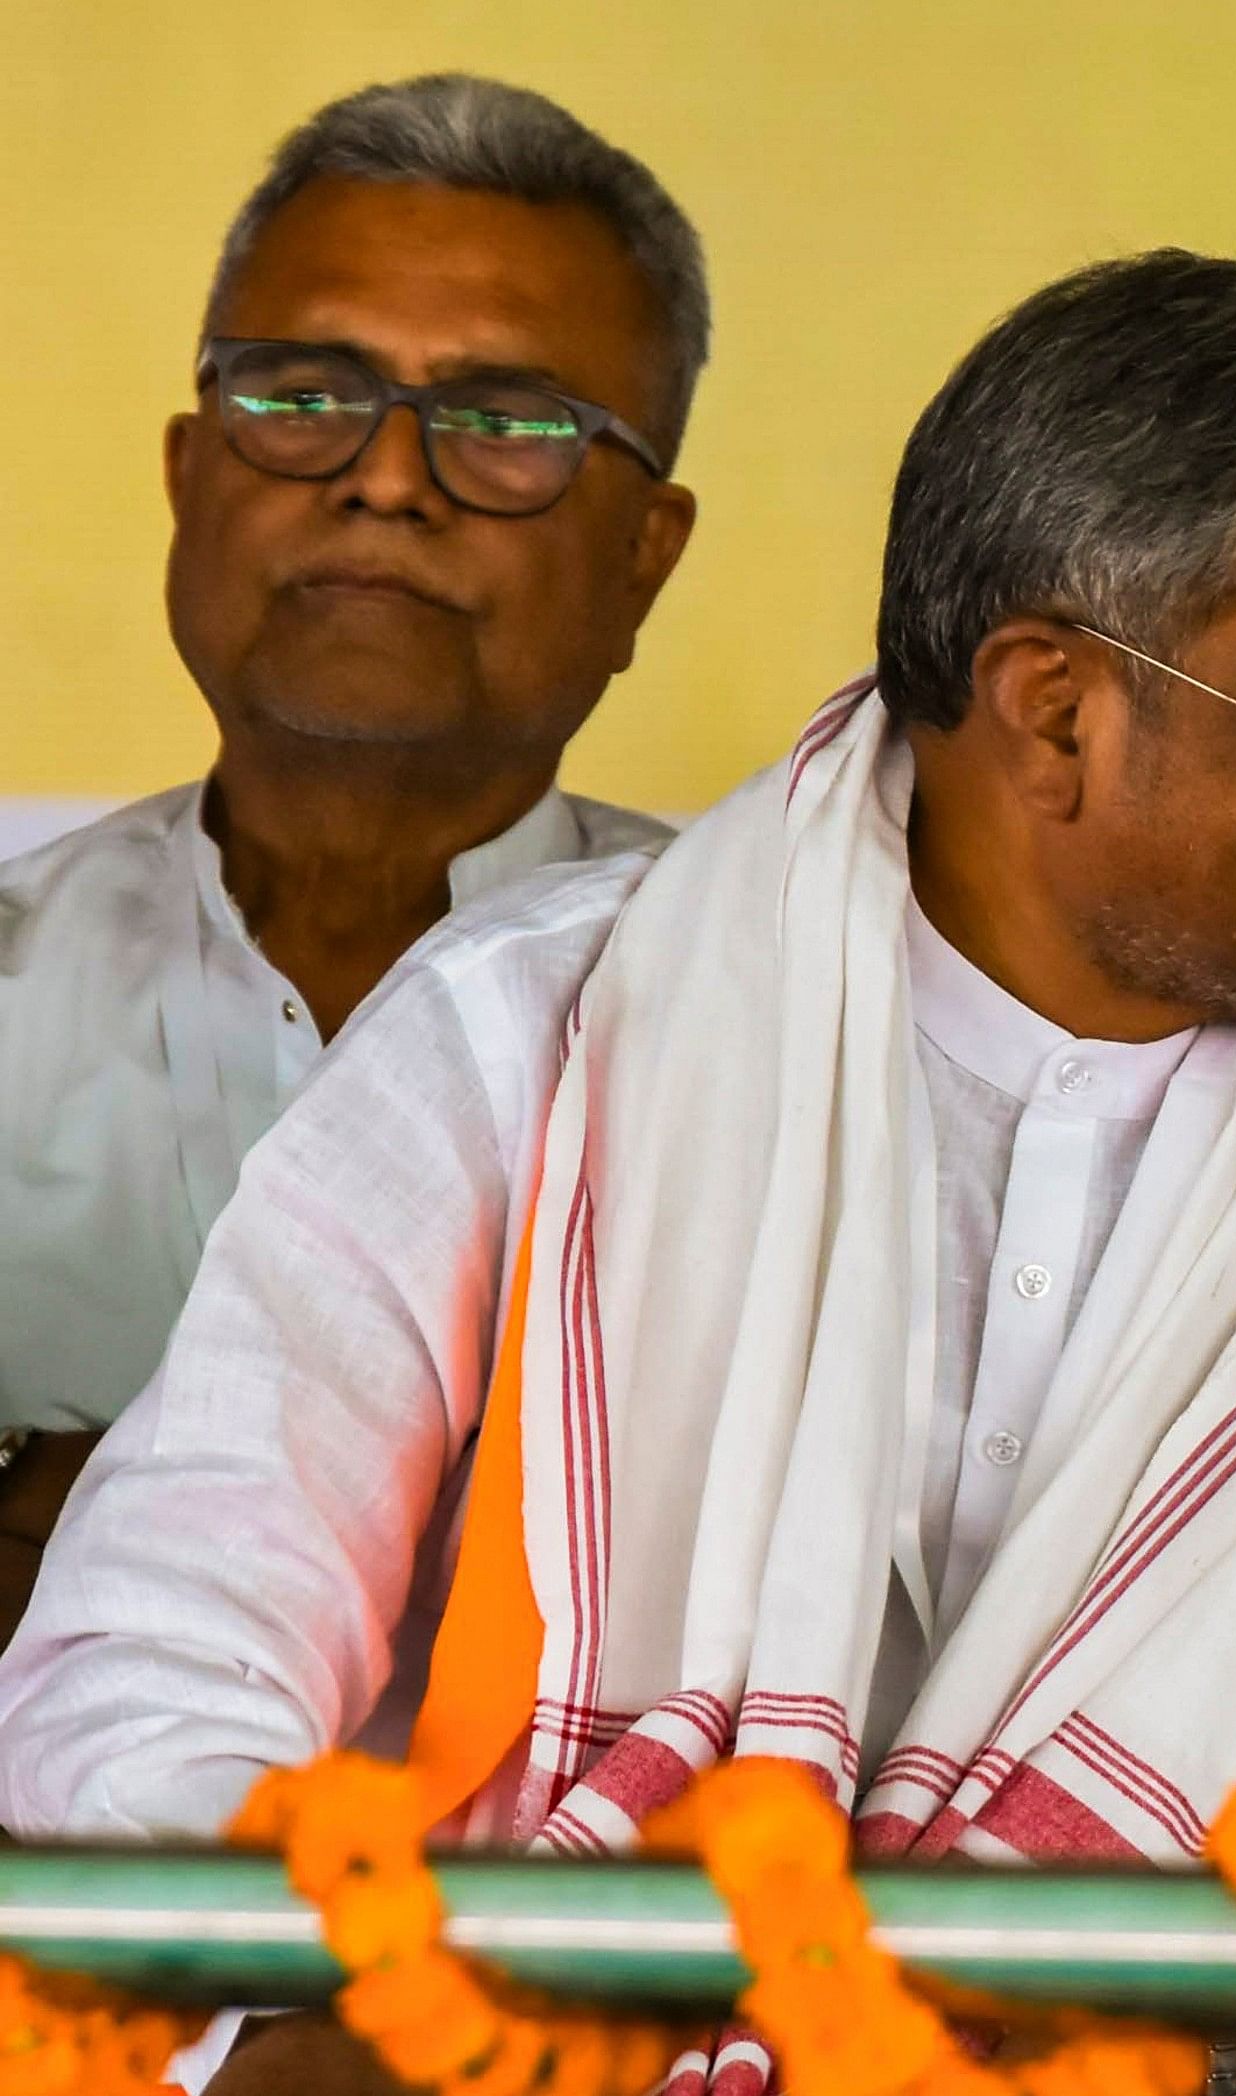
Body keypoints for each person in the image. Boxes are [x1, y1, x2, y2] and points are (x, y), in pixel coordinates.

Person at [0, 252, 1236, 2096]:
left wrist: (1187, 2041)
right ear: (1052, 707)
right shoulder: (533, 1039)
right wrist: (314, 1999)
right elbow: (160, 1630)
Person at [0, 76, 708, 1623]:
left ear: (645, 559)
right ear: (189, 478)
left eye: (508, 423)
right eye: (304, 395)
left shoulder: (797, 1010)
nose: (385, 477)